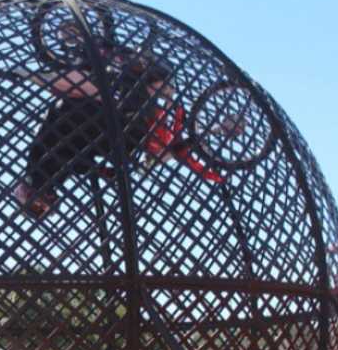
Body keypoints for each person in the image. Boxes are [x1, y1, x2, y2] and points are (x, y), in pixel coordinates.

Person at [12, 20, 227, 220]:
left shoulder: (39, 172)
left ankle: (202, 132)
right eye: (42, 208)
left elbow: (66, 153)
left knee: (137, 126)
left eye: (40, 206)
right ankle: (206, 132)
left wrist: (99, 167)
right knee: (145, 138)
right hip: (99, 126)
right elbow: (71, 158)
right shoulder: (44, 174)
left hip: (93, 119)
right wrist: (101, 169)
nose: (45, 203)